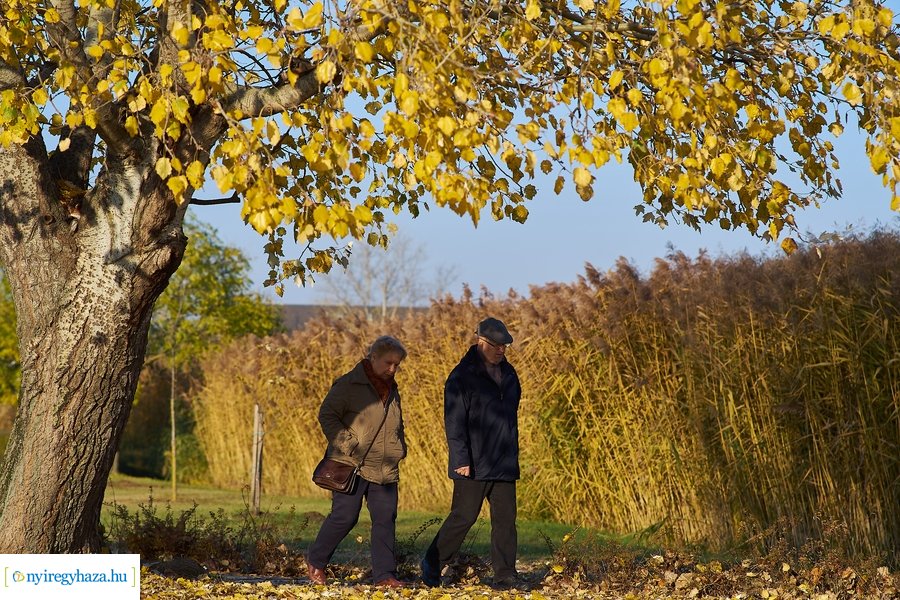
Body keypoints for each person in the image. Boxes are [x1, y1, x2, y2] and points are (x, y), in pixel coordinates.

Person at [420, 317, 526, 591]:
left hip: (503, 460)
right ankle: (432, 563)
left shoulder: (510, 374)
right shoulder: (461, 376)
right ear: (481, 342)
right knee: (463, 517)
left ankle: (505, 575)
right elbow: (454, 422)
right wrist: (461, 459)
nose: (501, 350)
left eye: (504, 345)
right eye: (496, 345)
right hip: (474, 463)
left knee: (505, 520)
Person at [306, 335, 408, 588]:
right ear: (373, 357)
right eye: (388, 363)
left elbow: (397, 423)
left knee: (385, 519)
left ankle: (384, 576)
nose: (392, 369)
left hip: (384, 466)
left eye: (397, 364)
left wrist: (399, 448)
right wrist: (347, 443)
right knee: (345, 516)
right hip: (351, 463)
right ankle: (316, 560)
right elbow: (327, 414)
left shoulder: (392, 388)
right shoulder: (349, 384)